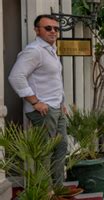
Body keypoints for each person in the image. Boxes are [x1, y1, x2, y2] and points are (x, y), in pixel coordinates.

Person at [8, 15, 69, 187]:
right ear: (36, 30)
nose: (53, 32)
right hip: (43, 110)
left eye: (56, 29)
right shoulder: (34, 50)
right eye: (48, 28)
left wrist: (61, 103)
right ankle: (44, 192)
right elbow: (16, 76)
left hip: (55, 107)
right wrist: (35, 102)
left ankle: (57, 189)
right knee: (45, 152)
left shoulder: (50, 50)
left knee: (61, 147)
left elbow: (53, 80)